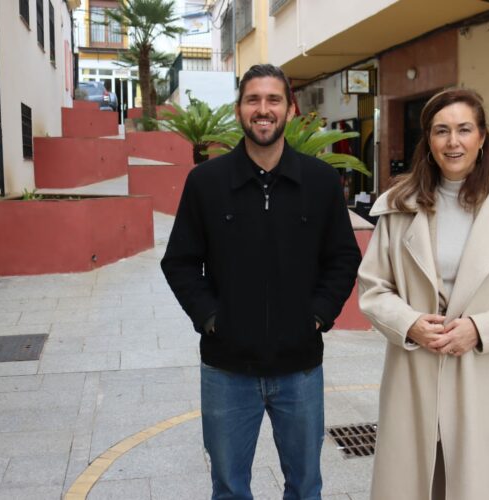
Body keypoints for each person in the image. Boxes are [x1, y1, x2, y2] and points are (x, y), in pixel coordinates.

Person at [161, 64, 361, 500]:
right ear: (239, 110)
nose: (263, 109)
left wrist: (318, 315)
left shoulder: (321, 182)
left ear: (290, 109)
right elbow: (179, 261)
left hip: (300, 368)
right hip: (226, 369)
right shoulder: (206, 182)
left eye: (273, 99)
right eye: (253, 99)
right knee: (230, 489)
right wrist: (211, 318)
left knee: (305, 488)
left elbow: (344, 257)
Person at [358, 88, 489, 500]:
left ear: (482, 137)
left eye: (464, 129)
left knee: (479, 484)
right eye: (441, 131)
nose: (453, 142)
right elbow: (374, 286)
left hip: (487, 375)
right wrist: (410, 323)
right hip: (415, 372)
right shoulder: (399, 207)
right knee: (413, 480)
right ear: (428, 140)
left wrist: (480, 329)